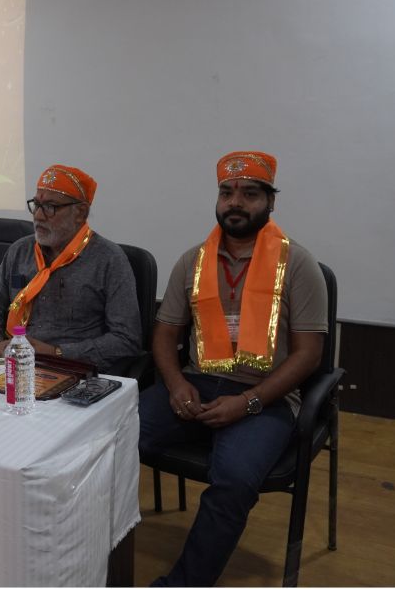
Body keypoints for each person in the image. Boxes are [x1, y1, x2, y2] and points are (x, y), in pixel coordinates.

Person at [139, 151, 328, 586]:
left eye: (250, 194)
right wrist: (175, 384)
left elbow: (308, 355)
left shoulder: (297, 264)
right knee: (110, 439)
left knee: (235, 480)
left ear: (270, 202)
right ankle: (98, 558)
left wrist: (248, 402)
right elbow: (165, 334)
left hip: (266, 398)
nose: (235, 202)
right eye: (227, 193)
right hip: (195, 386)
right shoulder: (193, 261)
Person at [0, 163, 142, 373]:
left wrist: (57, 352)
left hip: (73, 370)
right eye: (36, 205)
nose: (38, 216)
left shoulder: (109, 259)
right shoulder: (20, 251)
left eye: (50, 207)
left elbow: (127, 339)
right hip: (12, 364)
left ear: (80, 212)